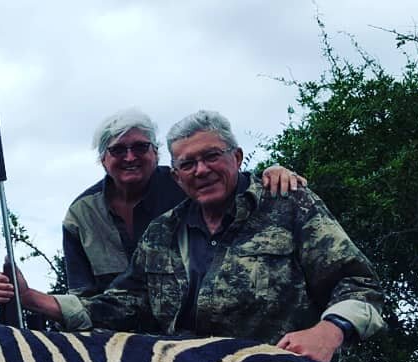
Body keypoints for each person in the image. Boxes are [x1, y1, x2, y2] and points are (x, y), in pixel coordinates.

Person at [0, 110, 383, 362]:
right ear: (176, 174)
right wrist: (34, 300)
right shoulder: (161, 232)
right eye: (188, 164)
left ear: (238, 158)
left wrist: (329, 330)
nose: (202, 170)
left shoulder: (287, 203)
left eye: (212, 156)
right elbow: (123, 305)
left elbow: (360, 285)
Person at [62, 108, 305, 297]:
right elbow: (83, 296)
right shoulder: (81, 215)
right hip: (114, 338)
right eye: (117, 150)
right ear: (103, 159)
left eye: (140, 147)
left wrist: (273, 171)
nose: (130, 157)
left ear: (156, 153)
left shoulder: (187, 184)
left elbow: (231, 180)